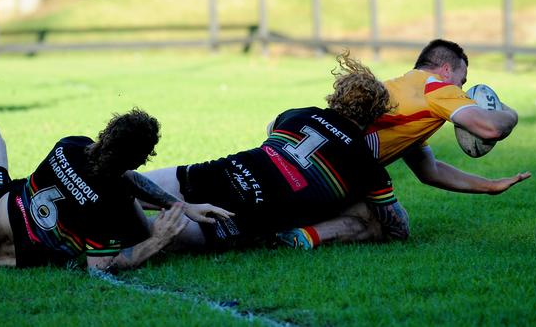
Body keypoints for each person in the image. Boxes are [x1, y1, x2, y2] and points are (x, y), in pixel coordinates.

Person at [277, 39, 531, 249]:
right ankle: (301, 234)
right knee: (387, 226)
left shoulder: (399, 90)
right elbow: (489, 129)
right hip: (322, 179)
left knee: (382, 212)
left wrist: (490, 186)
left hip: (290, 164)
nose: (462, 92)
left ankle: (289, 223)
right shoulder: (438, 89)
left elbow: (430, 171)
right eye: (462, 82)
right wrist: (512, 114)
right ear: (445, 70)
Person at [139, 51, 407, 250]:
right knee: (136, 235)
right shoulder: (368, 166)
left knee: (118, 189)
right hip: (244, 215)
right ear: (376, 115)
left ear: (336, 96)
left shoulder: (300, 114)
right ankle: (307, 234)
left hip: (215, 174)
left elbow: (271, 131)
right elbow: (399, 228)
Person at [0, 107, 231, 271]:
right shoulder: (111, 204)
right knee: (140, 230)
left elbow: (124, 177)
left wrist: (180, 206)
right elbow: (100, 268)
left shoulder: (71, 145)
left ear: (106, 133)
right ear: (141, 159)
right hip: (0, 257)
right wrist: (156, 240)